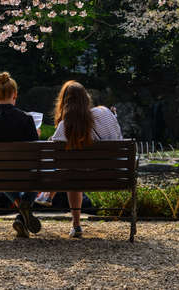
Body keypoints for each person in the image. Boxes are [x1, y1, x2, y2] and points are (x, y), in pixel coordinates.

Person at [45, 80, 123, 238]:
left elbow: (55, 158)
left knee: (71, 172)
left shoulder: (66, 125)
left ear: (64, 102)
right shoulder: (105, 112)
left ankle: (76, 224)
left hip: (79, 178)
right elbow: (119, 137)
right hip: (114, 175)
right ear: (86, 98)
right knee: (73, 170)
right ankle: (49, 196)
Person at [0, 71, 41, 238]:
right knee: (38, 175)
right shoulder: (26, 119)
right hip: (23, 175)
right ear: (15, 95)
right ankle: (24, 207)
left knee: (2, 175)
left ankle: (21, 211)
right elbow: (36, 154)